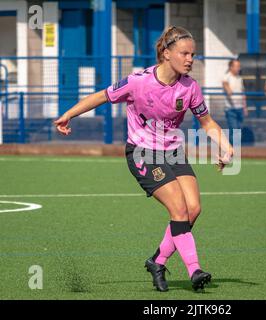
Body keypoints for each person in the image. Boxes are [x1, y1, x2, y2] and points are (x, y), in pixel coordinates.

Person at [54, 26, 233, 292]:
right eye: (184, 53)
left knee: (193, 209)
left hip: (173, 152)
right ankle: (194, 269)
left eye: (193, 54)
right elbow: (101, 96)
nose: (190, 59)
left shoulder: (190, 87)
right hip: (142, 153)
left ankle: (157, 261)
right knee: (179, 210)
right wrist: (69, 114)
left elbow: (207, 122)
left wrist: (227, 146)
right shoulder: (138, 81)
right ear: (166, 53)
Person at [222, 59, 248, 145]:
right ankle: (233, 151)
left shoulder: (240, 78)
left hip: (240, 108)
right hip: (230, 109)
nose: (238, 68)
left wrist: (245, 107)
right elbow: (225, 83)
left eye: (239, 66)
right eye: (236, 66)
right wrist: (228, 89)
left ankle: (232, 149)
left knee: (238, 129)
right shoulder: (227, 76)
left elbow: (243, 93)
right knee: (234, 129)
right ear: (231, 67)